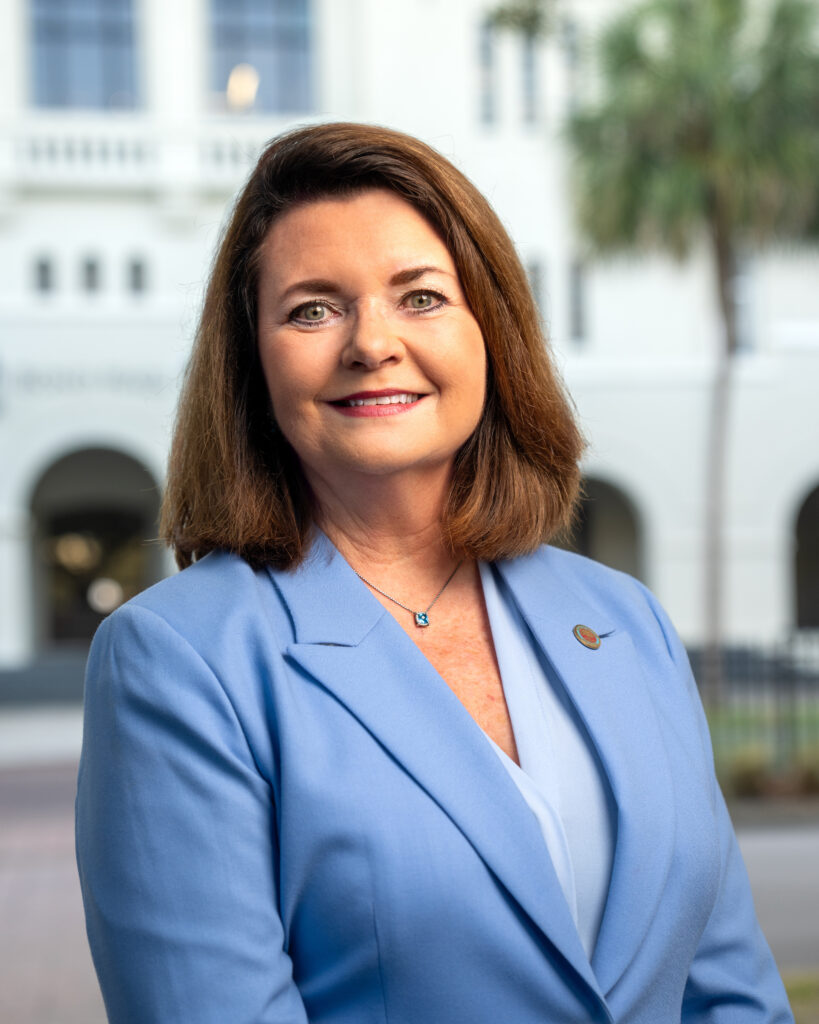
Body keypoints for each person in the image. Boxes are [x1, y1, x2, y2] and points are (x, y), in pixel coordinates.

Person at [75, 122, 793, 1024]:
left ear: (488, 329)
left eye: (419, 296)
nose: (371, 343)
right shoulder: (177, 661)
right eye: (311, 309)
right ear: (252, 367)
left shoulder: (624, 618)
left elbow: (729, 993)